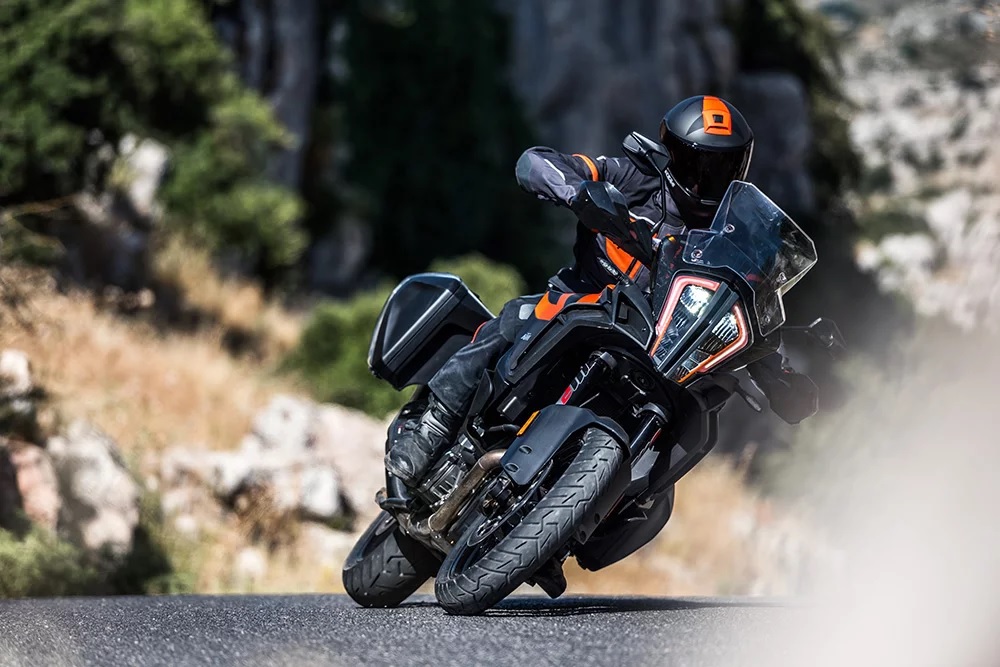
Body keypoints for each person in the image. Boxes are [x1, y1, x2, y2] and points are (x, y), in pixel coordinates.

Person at [384, 95, 818, 487]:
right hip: (580, 300)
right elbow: (535, 162)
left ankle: (602, 512)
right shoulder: (635, 177)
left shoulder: (729, 240)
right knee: (515, 320)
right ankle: (432, 427)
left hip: (659, 350)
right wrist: (578, 192)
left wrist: (778, 373)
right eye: (695, 165)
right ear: (670, 154)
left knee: (686, 433)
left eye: (721, 170)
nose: (705, 182)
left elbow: (740, 307)